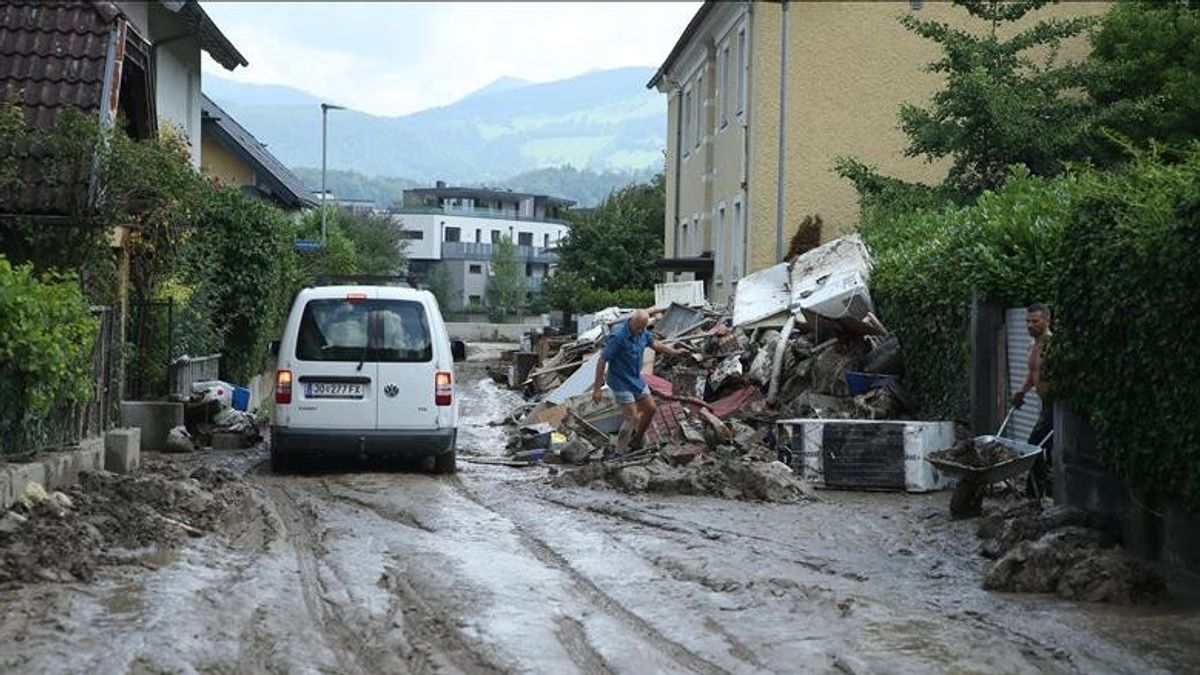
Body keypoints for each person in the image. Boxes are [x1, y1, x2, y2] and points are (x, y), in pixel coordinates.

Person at [591, 308, 687, 452]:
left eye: (642, 328)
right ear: (631, 322)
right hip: (620, 381)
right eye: (637, 327)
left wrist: (673, 352)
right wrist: (597, 389)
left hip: (635, 378)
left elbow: (655, 344)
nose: (639, 331)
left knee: (651, 409)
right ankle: (619, 451)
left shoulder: (642, 332)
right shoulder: (618, 336)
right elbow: (602, 360)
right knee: (633, 417)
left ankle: (637, 440)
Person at [1012, 303, 1054, 498]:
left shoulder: (1052, 346)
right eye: (1027, 321)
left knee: (1034, 447)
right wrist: (1021, 391)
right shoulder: (1032, 345)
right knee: (1039, 449)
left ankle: (1036, 494)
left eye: (1035, 321)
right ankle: (1037, 493)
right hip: (1045, 406)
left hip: (1055, 407)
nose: (1030, 325)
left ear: (1047, 320)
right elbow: (1032, 373)